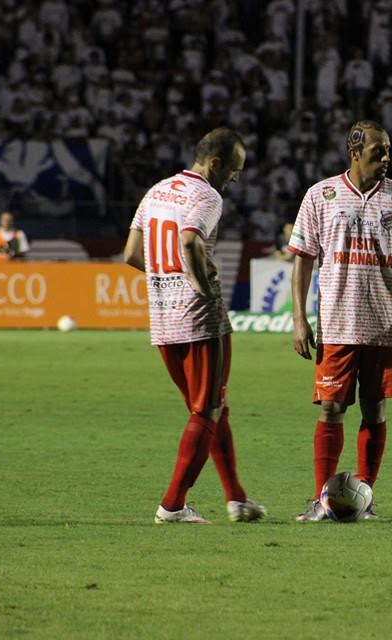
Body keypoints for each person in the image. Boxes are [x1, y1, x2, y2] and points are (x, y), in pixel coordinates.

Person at [288, 120, 392, 522]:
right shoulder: (321, 196)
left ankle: (364, 500)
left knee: (375, 411)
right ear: (355, 153)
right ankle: (322, 500)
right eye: (378, 152)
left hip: (385, 325)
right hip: (336, 324)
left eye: (388, 151)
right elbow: (301, 259)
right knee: (331, 409)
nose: (386, 159)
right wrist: (299, 319)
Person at [123, 127, 266, 525]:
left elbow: (132, 253)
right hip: (200, 319)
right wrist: (201, 287)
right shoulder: (206, 194)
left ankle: (236, 498)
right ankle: (172, 506)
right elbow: (189, 240)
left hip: (163, 317)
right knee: (207, 410)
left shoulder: (156, 191)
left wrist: (166, 277)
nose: (235, 179)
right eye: (233, 170)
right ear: (215, 163)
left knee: (209, 409)